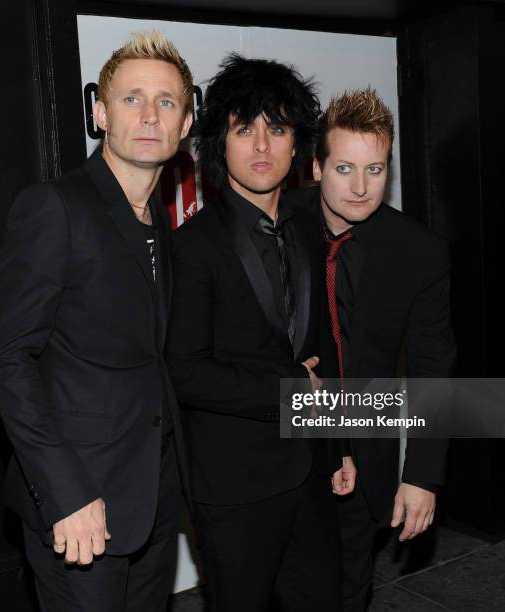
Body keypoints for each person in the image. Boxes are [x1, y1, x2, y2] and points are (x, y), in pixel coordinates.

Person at [0, 31, 193, 612]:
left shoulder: (159, 220)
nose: (150, 115)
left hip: (152, 500)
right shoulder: (56, 207)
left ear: (186, 124)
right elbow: (8, 359)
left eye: (167, 102)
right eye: (131, 99)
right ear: (99, 113)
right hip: (80, 508)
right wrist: (67, 495)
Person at [165, 54, 355, 611]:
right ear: (219, 145)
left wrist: (338, 447)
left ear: (298, 145)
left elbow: (321, 347)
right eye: (244, 130)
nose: (262, 146)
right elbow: (185, 370)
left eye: (277, 128)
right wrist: (290, 390)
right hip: (234, 488)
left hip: (310, 477)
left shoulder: (309, 233)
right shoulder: (194, 246)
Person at [289, 87, 456, 611]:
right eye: (344, 169)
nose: (361, 188)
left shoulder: (419, 253)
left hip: (366, 446)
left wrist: (421, 477)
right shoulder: (275, 224)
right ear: (316, 167)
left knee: (348, 592)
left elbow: (433, 369)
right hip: (279, 443)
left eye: (376, 170)